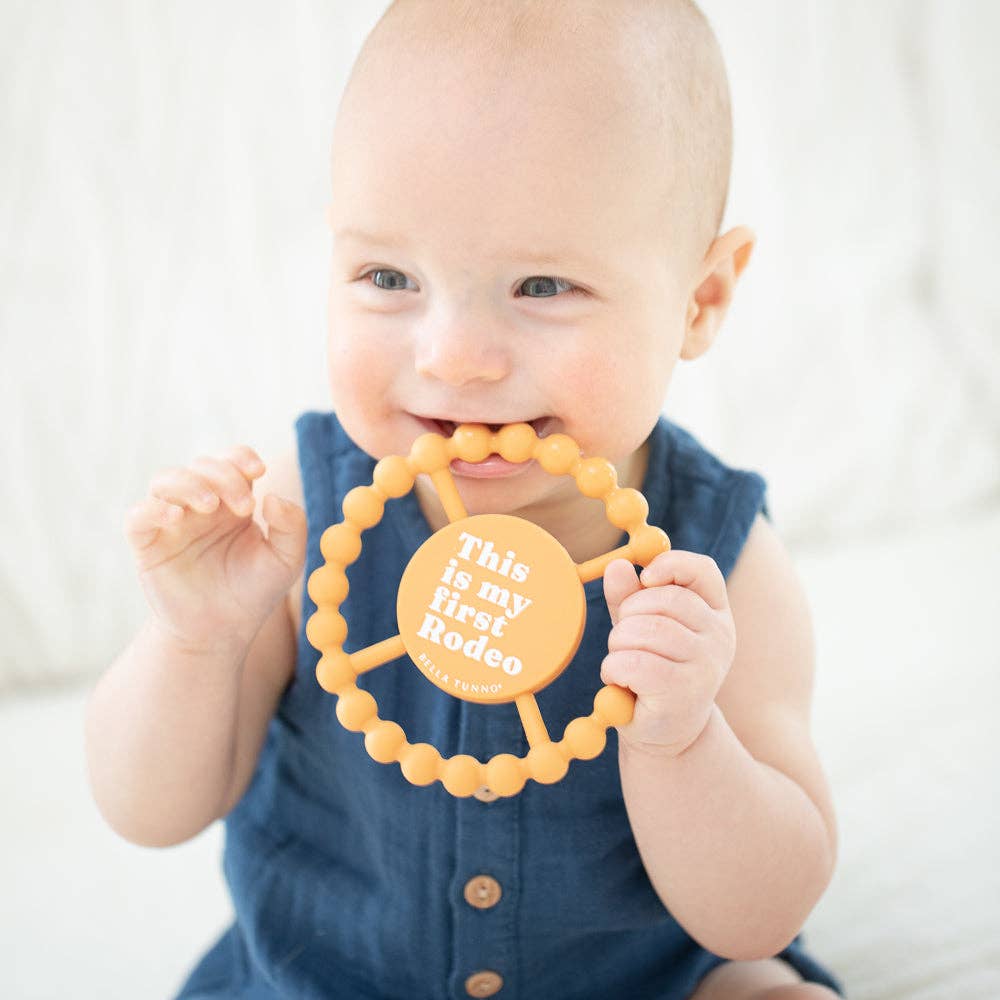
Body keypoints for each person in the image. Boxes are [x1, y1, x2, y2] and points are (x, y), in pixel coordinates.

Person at [84, 1, 845, 997]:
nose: (454, 358)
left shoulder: (717, 565)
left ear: (698, 301)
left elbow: (765, 908)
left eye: (542, 286)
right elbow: (148, 810)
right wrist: (194, 640)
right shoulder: (295, 516)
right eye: (388, 274)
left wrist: (685, 734)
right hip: (328, 977)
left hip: (633, 980)